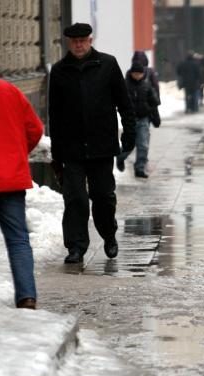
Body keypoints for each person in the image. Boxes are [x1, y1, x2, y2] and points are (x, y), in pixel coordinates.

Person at [47, 22, 136, 264]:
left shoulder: (107, 64)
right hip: (71, 147)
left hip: (102, 145)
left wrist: (129, 133)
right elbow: (53, 113)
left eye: (83, 40)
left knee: (103, 196)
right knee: (75, 198)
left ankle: (109, 235)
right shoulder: (59, 70)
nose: (78, 44)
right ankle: (76, 247)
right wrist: (56, 152)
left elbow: (124, 103)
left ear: (90, 40)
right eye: (74, 41)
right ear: (69, 43)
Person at [0, 76, 44, 309]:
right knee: (18, 240)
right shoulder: (10, 90)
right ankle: (27, 297)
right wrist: (17, 154)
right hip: (11, 178)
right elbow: (35, 129)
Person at [117, 62, 161, 178]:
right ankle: (120, 157)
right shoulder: (124, 86)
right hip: (129, 120)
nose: (137, 76)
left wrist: (156, 118)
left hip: (143, 119)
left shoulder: (147, 86)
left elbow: (154, 103)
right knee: (129, 144)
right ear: (131, 73)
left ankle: (139, 168)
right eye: (135, 73)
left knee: (143, 144)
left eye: (139, 74)